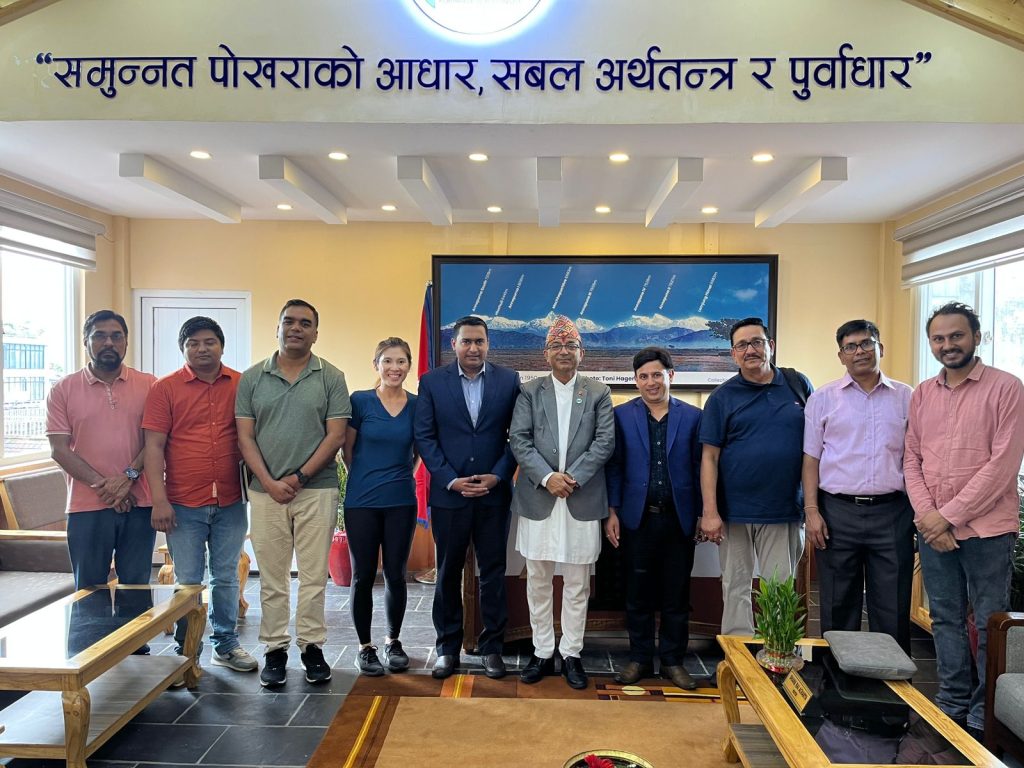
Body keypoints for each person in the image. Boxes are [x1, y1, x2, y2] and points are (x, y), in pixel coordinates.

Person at [904, 301, 1024, 739]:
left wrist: (947, 517)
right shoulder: (923, 393)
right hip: (934, 530)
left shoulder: (1007, 388)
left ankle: (984, 711)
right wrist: (928, 517)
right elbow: (912, 459)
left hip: (987, 530)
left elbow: (1002, 466)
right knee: (946, 618)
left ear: (976, 336)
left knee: (991, 621)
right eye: (938, 338)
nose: (947, 345)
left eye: (956, 336)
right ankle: (951, 702)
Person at [235, 299, 351, 687]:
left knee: (314, 576)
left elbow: (336, 436)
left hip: (316, 489)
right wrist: (269, 482)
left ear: (315, 333)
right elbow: (245, 437)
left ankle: (312, 647)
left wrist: (299, 477)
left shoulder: (331, 376)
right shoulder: (252, 378)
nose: (296, 328)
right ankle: (274, 649)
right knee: (272, 577)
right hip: (265, 492)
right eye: (289, 321)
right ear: (278, 328)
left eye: (305, 323)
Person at [143, 316, 258, 674]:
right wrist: (159, 500)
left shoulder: (241, 384)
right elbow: (153, 446)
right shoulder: (165, 389)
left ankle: (225, 644)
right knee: (188, 581)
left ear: (222, 346)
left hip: (231, 500)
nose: (202, 348)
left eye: (209, 342)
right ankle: (186, 650)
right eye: (193, 343)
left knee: (225, 576)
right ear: (183, 348)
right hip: (182, 502)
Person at [509, 316, 614, 690]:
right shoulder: (529, 392)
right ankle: (541, 651)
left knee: (577, 583)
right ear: (546, 353)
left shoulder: (598, 392)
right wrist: (547, 477)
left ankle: (571, 653)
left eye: (571, 346)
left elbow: (605, 442)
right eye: (557, 346)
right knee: (538, 580)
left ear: (582, 353)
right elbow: (519, 439)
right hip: (539, 498)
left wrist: (572, 478)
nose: (564, 351)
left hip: (581, 498)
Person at [414, 315, 521, 680]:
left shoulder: (508, 381)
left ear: (488, 345)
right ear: (454, 345)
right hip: (450, 496)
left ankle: (492, 648)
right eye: (466, 341)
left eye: (479, 341)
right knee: (447, 573)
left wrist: (499, 474)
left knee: (492, 573)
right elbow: (425, 437)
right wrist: (450, 480)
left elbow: (518, 435)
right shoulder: (432, 382)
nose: (473, 348)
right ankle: (447, 648)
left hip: (494, 494)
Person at [801, 320, 914, 652]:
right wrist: (812, 512)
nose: (859, 351)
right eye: (850, 346)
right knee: (838, 603)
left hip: (893, 512)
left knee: (892, 605)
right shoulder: (823, 398)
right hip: (837, 512)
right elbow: (811, 459)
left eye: (866, 344)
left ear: (880, 348)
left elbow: (917, 458)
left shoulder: (907, 397)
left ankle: (892, 681)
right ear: (841, 356)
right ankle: (838, 678)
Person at [699, 317, 811, 636]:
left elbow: (816, 448)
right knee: (735, 586)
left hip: (783, 509)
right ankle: (739, 655)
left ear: (770, 346)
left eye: (757, 342)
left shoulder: (797, 384)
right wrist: (710, 512)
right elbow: (709, 457)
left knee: (780, 589)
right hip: (734, 512)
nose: (750, 350)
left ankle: (777, 653)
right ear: (733, 354)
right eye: (742, 345)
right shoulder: (722, 397)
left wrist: (813, 506)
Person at [605, 346, 702, 690]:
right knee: (637, 593)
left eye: (657, 375)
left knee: (677, 594)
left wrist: (703, 513)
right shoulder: (621, 415)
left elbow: (700, 468)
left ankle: (673, 661)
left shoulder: (693, 417)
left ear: (670, 376)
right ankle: (640, 658)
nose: (651, 382)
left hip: (679, 519)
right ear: (636, 380)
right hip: (637, 519)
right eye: (643, 376)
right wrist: (612, 511)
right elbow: (614, 466)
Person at [46, 309, 156, 590]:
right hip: (87, 507)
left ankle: (135, 627)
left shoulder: (150, 385)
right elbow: (59, 450)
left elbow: (157, 441)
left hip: (139, 502)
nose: (109, 342)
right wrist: (107, 488)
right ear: (86, 341)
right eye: (100, 336)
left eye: (116, 336)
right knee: (88, 592)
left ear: (126, 342)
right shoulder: (63, 389)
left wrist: (128, 478)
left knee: (136, 590)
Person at [342, 337, 419, 676]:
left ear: (409, 366)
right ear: (377, 364)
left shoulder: (416, 405)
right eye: (387, 361)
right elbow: (347, 450)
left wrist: (400, 476)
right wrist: (365, 478)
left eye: (401, 361)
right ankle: (365, 647)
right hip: (361, 502)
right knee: (362, 575)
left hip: (401, 501)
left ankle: (393, 641)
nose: (394, 368)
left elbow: (418, 453)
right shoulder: (360, 401)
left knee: (396, 575)